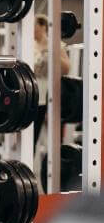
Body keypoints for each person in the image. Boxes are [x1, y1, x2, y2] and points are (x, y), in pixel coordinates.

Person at [33, 13, 71, 146]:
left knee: (55, 141)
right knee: (31, 139)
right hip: (35, 99)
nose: (32, 28)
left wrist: (52, 53)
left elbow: (66, 68)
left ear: (43, 26)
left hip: (52, 96)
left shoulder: (55, 45)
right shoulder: (29, 46)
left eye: (34, 25)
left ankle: (55, 165)